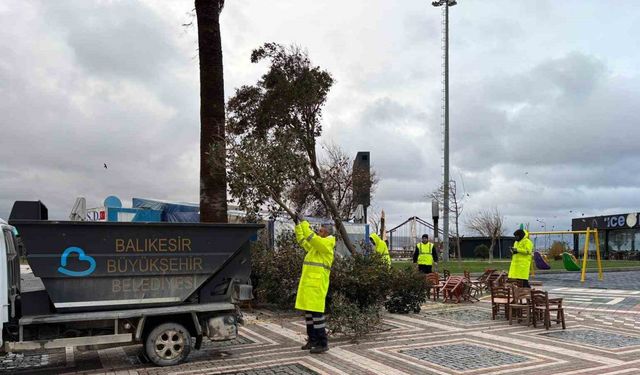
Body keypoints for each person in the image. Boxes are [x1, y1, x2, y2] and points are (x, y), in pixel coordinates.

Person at [294, 217, 335, 354]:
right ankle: (312, 340)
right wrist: (298, 226)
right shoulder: (316, 247)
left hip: (317, 286)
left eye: (321, 230)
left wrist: (305, 224)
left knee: (317, 315)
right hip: (309, 285)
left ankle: (323, 343)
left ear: (327, 232)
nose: (319, 231)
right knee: (309, 315)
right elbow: (303, 241)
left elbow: (312, 239)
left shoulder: (327, 243)